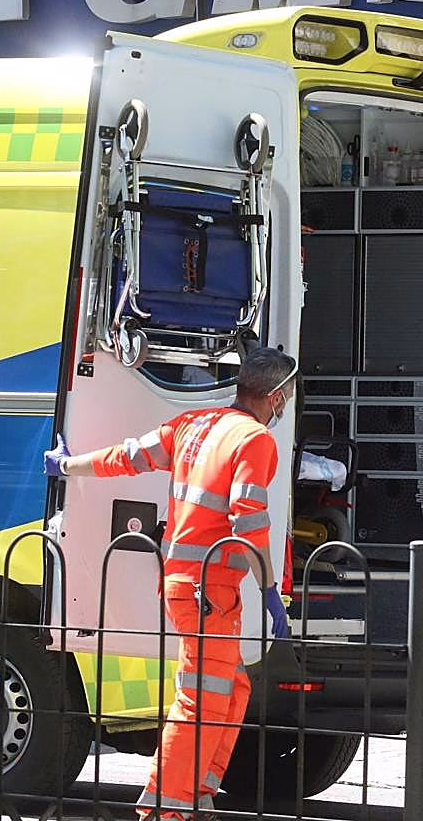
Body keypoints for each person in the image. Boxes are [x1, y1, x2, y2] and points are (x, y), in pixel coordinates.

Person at [44, 347, 297, 820]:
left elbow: (128, 457)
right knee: (200, 701)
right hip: (209, 592)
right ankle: (165, 807)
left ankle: (197, 790)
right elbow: (249, 523)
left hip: (184, 585)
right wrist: (269, 591)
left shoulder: (194, 425)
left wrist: (67, 466)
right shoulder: (255, 440)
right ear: (276, 397)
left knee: (231, 688)